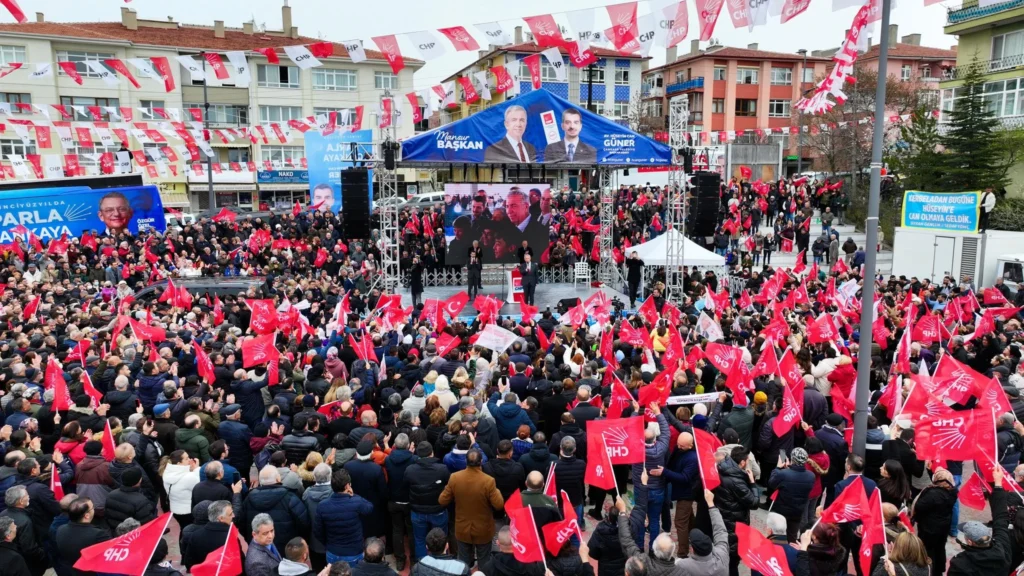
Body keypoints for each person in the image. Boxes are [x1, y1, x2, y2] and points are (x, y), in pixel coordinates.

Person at [438, 448, 504, 568]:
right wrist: (496, 491)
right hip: (483, 530)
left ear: (466, 461)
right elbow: (499, 505)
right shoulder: (488, 481)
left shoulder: (455, 478)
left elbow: (442, 500)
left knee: (463, 562)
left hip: (462, 528)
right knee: (484, 562)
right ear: (481, 462)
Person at [315, 468, 374, 565]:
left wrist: (329, 544)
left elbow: (318, 531)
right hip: (353, 553)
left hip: (332, 552)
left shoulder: (322, 505)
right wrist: (353, 495)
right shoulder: (356, 501)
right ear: (347, 486)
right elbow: (369, 508)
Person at [910, 467, 956, 576]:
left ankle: (928, 570)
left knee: (928, 551)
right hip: (943, 527)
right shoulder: (951, 492)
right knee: (940, 548)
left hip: (930, 528)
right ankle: (938, 570)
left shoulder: (933, 494)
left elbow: (920, 506)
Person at [768, 447, 815, 542]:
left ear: (792, 459)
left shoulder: (783, 474)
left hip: (781, 511)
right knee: (792, 537)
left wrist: (778, 468)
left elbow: (772, 483)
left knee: (776, 538)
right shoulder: (811, 476)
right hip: (797, 512)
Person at [182, 500, 236, 571]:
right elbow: (237, 562)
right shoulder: (230, 537)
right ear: (221, 518)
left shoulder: (195, 535)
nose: (233, 516)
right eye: (230, 514)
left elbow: (189, 562)